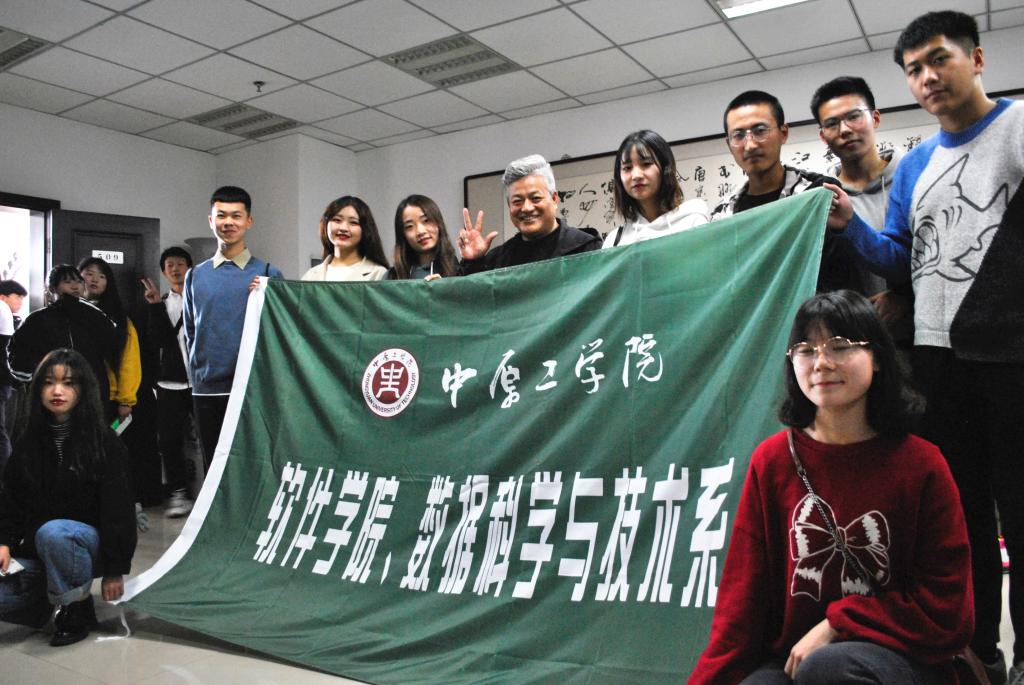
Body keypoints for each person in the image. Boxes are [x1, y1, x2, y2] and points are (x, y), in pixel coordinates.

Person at [829, 11, 1024, 683]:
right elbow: (900, 259)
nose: (927, 77)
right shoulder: (915, 165)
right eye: (914, 69)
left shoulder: (1018, 129)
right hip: (938, 360)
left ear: (977, 59)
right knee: (963, 520)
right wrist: (851, 224)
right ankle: (980, 653)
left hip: (1012, 354)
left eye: (939, 59)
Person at [689, 290, 972, 685]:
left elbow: (948, 611)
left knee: (829, 668)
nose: (822, 362)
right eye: (806, 350)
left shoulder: (921, 464)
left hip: (900, 661)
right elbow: (742, 609)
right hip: (795, 660)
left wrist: (839, 624)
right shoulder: (772, 461)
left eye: (840, 346)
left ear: (877, 358)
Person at [0, 348, 136, 646]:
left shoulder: (104, 442)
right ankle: (48, 600)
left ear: (82, 389)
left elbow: (119, 511)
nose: (57, 391)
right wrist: (4, 543)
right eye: (48, 382)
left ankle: (77, 607)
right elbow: (11, 501)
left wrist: (114, 570)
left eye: (68, 383)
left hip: (86, 545)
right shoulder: (27, 442)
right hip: (40, 551)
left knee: (55, 533)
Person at [710, 91, 859, 293]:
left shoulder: (817, 192)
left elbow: (840, 277)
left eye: (760, 131)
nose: (750, 145)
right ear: (729, 144)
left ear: (783, 133)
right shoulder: (723, 215)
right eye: (738, 136)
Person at [184, 186, 283, 471]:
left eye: (236, 216)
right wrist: (197, 374)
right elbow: (191, 332)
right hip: (206, 389)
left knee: (253, 466)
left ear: (248, 221)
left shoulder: (267, 274)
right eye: (221, 215)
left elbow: (279, 332)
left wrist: (267, 295)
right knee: (213, 468)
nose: (228, 222)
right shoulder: (195, 275)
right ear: (210, 220)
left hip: (252, 387)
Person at [810, 77, 912, 345]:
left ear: (875, 118)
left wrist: (906, 297)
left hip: (917, 342)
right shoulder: (821, 198)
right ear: (823, 135)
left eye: (853, 117)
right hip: (850, 344)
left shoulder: (914, 178)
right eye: (832, 123)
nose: (844, 130)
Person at [458, 154, 601, 273]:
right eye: (517, 201)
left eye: (535, 198)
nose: (526, 208)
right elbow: (473, 296)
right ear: (509, 206)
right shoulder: (497, 260)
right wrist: (472, 262)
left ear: (554, 199)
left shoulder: (586, 249)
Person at [8, 266, 118, 406]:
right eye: (67, 282)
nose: (75, 286)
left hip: (89, 392)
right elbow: (18, 355)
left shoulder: (94, 315)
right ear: (52, 288)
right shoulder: (38, 319)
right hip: (51, 394)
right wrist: (37, 377)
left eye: (79, 281)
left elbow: (114, 348)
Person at [142, 247, 195, 518]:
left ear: (190, 268)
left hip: (203, 381)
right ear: (164, 272)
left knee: (212, 438)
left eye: (180, 263)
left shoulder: (202, 298)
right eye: (169, 265)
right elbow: (158, 341)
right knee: (170, 441)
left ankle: (214, 492)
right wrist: (154, 306)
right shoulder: (160, 303)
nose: (175, 269)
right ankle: (179, 493)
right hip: (169, 383)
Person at [603, 129, 708, 247]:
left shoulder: (693, 223)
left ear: (666, 168)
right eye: (627, 168)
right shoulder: (614, 242)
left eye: (646, 164)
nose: (636, 175)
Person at [78, 257, 141, 423]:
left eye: (102, 276)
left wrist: (125, 400)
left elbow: (129, 360)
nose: (95, 279)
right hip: (73, 393)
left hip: (107, 396)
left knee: (105, 437)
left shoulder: (118, 319)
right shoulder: (68, 314)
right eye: (89, 274)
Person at [301, 196, 389, 282]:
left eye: (353, 222)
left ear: (365, 229)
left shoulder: (378, 274)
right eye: (337, 220)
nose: (343, 228)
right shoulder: (311, 276)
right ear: (326, 224)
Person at [389, 194, 459, 280]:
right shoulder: (393, 277)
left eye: (426, 220)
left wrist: (472, 260)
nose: (420, 231)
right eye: (409, 226)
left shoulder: (456, 270)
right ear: (402, 234)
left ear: (439, 223)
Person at [0, 280, 27, 472]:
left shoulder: (7, 314)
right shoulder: (3, 310)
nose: (20, 302)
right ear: (3, 297)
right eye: (17, 297)